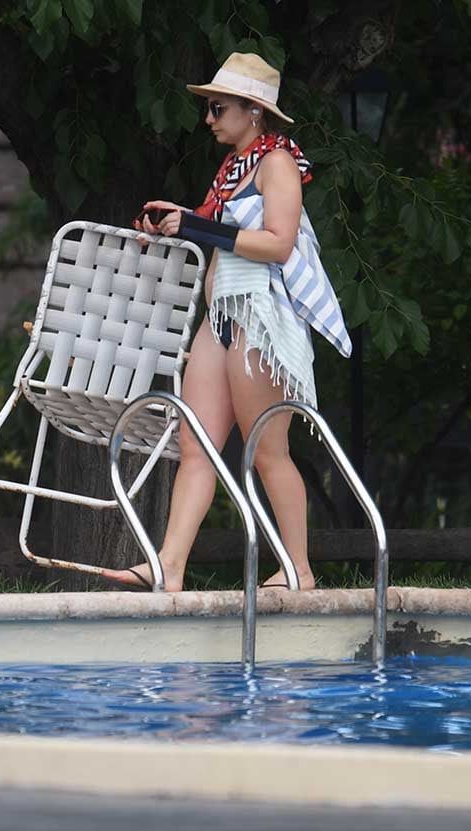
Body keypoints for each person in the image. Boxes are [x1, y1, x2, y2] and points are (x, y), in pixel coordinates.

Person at [104, 53, 353, 593]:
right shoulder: (235, 168)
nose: (209, 118)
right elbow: (211, 228)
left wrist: (196, 227)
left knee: (267, 450)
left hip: (258, 319)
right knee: (195, 446)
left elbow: (279, 243)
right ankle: (169, 565)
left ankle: (298, 569)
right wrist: (170, 225)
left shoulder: (277, 163)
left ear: (253, 110)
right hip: (220, 317)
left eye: (218, 108)